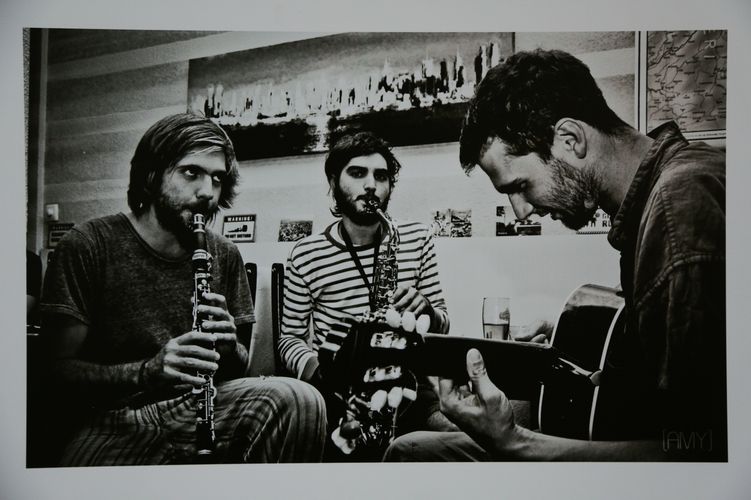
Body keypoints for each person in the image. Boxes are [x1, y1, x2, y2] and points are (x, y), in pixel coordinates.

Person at [385, 49, 726, 461]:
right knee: (413, 447)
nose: (521, 212)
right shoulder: (671, 189)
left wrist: (515, 443)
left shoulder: (677, 213)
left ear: (570, 140)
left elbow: (701, 452)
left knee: (413, 455)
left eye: (519, 186)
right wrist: (574, 334)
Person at [39, 113, 326, 466]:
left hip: (200, 408)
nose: (207, 192)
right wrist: (146, 372)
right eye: (191, 172)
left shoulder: (225, 253)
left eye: (217, 179)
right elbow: (55, 371)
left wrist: (226, 346)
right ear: (151, 175)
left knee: (301, 400)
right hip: (114, 419)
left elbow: (239, 368)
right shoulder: (88, 244)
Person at [278, 131, 456, 458]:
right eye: (358, 173)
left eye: (381, 176)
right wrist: (323, 375)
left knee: (465, 445)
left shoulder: (417, 238)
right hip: (340, 390)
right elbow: (289, 339)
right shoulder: (306, 253)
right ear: (333, 182)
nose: (371, 185)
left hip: (410, 384)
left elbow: (443, 325)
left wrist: (428, 311)